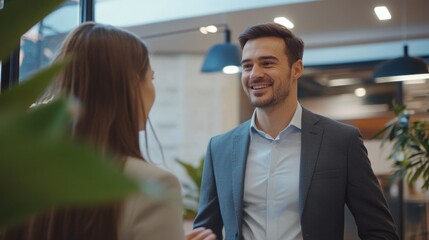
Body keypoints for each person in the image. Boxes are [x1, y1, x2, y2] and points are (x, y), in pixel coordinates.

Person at [1, 22, 214, 240]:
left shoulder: (21, 176)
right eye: (151, 78)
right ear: (130, 87)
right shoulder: (153, 186)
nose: (153, 89)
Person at [193, 23, 399, 240]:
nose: (255, 74)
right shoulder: (220, 148)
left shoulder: (341, 141)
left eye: (267, 63)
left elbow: (380, 232)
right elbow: (206, 230)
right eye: (247, 66)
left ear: (297, 69)